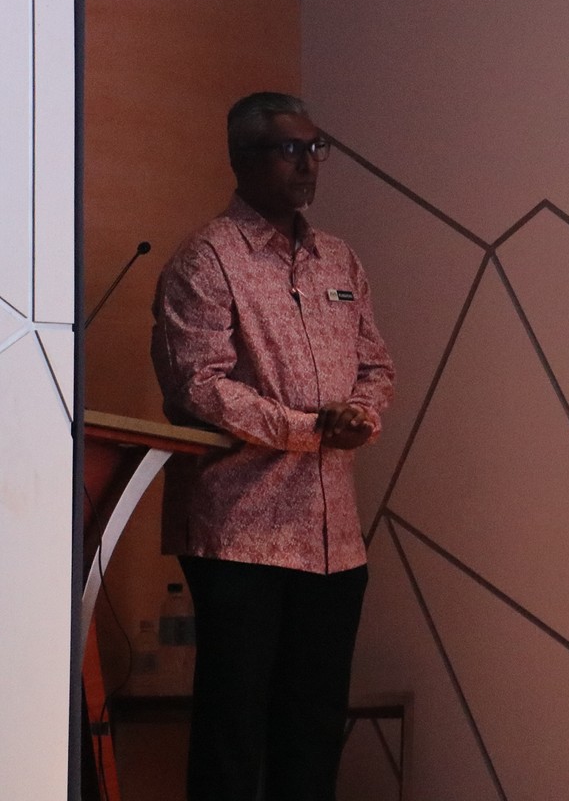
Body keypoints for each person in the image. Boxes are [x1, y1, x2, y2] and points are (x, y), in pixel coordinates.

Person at [151, 91, 395, 801]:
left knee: (314, 728)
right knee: (234, 729)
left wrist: (361, 415)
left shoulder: (338, 259)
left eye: (316, 147)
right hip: (240, 535)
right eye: (289, 149)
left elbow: (376, 365)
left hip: (333, 539)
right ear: (242, 159)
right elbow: (198, 386)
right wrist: (310, 430)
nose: (307, 164)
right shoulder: (205, 260)